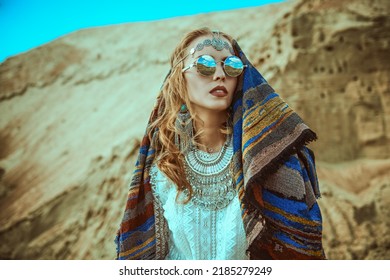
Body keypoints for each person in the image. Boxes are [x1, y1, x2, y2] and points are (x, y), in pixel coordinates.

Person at [115, 27, 326, 260]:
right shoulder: (163, 169)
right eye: (204, 65)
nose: (219, 75)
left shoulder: (269, 163)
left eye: (231, 66)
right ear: (179, 79)